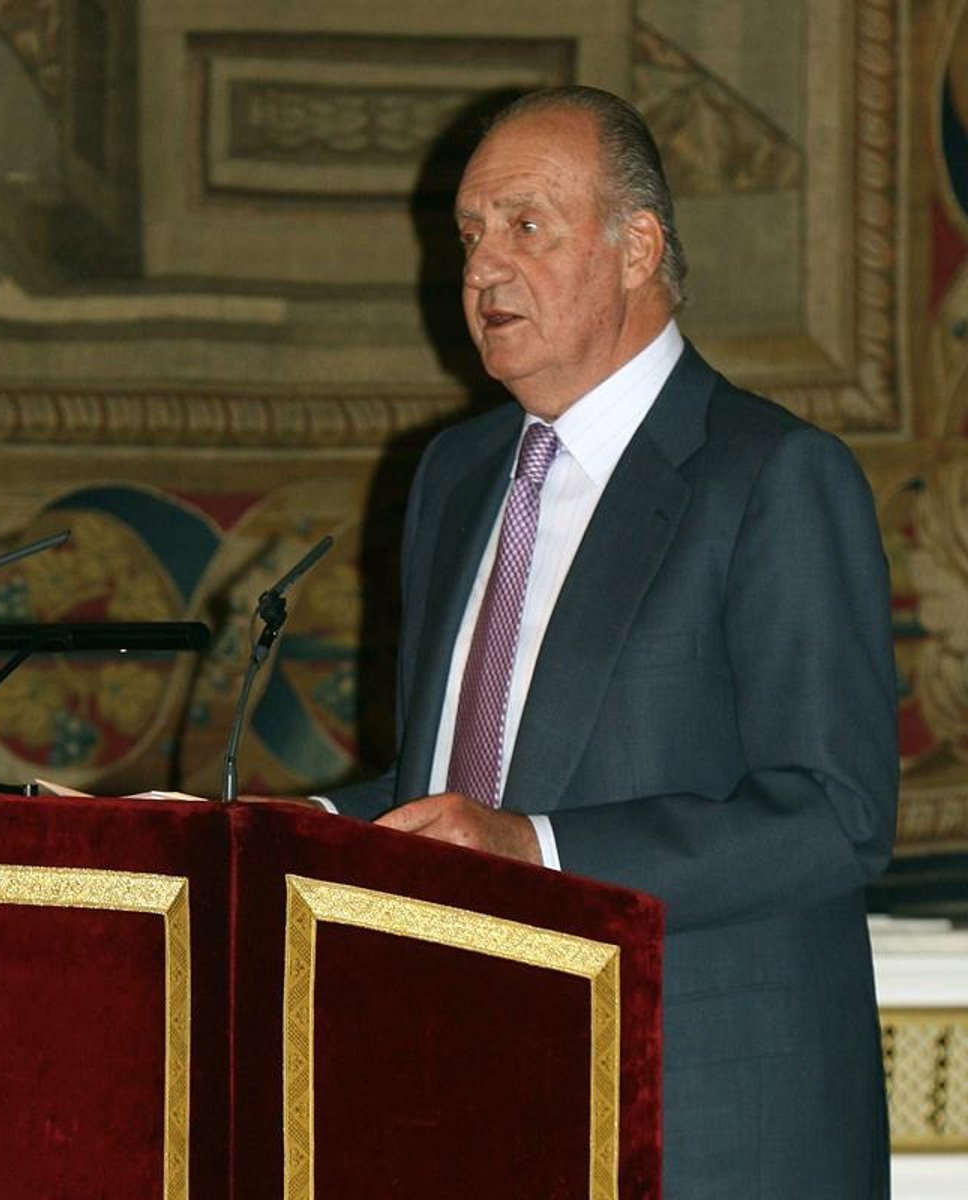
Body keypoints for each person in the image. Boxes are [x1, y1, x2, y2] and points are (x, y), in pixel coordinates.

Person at [324, 87, 898, 1197]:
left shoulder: (771, 476)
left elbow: (836, 815)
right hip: (476, 1102)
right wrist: (271, 828)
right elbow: (452, 791)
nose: (482, 269)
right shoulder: (455, 477)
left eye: (525, 226)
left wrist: (533, 852)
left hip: (699, 1126)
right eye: (469, 235)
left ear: (637, 249)